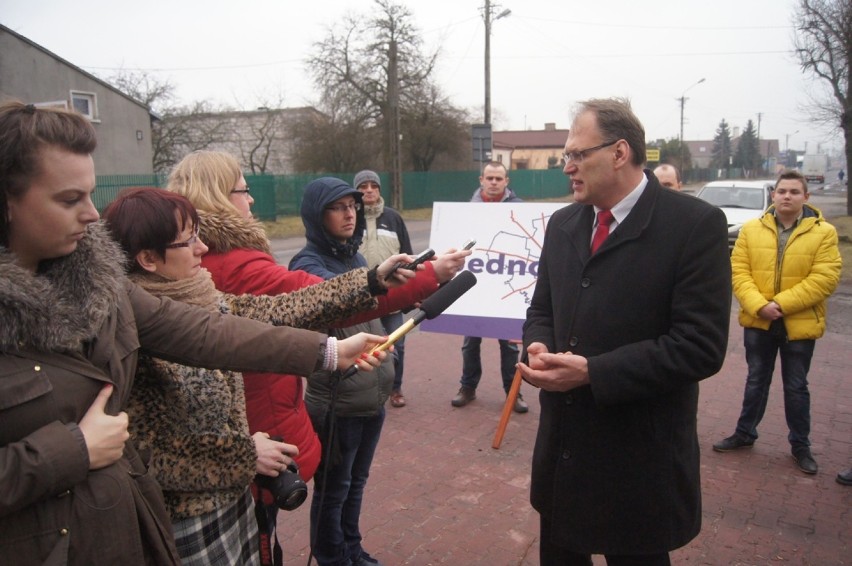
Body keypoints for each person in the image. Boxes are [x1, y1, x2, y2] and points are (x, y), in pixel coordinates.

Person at [0, 101, 387, 566]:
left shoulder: (106, 287)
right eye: (69, 199)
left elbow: (216, 332)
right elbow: (150, 447)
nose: (89, 214)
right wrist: (71, 451)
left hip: (141, 524)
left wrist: (332, 346)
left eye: (89, 194)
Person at [167, 150, 466, 561]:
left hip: (322, 405)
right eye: (245, 189)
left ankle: (347, 549)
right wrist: (419, 279)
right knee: (277, 525)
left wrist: (375, 283)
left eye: (352, 207)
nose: (251, 200)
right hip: (267, 425)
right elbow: (309, 301)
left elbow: (273, 319)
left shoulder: (220, 265)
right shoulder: (236, 264)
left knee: (337, 492)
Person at [103, 187, 415, 564]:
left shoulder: (204, 298)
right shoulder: (130, 335)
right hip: (185, 523)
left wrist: (369, 282)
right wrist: (245, 455)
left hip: (234, 504)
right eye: (189, 241)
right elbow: (145, 455)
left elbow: (281, 309)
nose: (203, 248)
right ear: (148, 258)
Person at [517, 98, 731, 565]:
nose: (567, 167)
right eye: (564, 157)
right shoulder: (564, 223)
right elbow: (541, 310)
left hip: (638, 459)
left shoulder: (694, 226)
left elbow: (701, 346)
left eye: (577, 155)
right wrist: (537, 344)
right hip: (565, 451)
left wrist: (594, 372)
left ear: (618, 153)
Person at [290, 177, 468, 566]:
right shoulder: (307, 264)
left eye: (353, 205)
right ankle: (331, 556)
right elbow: (338, 307)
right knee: (334, 489)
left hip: (372, 395)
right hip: (338, 399)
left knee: (355, 485)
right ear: (317, 215)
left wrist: (399, 326)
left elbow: (382, 313)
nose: (350, 213)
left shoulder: (356, 258)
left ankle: (352, 549)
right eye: (338, 207)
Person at [713, 169, 841, 475]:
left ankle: (801, 446)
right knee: (756, 379)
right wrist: (759, 306)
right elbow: (739, 271)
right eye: (782, 191)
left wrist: (781, 304)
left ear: (806, 197)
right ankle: (745, 433)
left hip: (799, 325)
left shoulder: (824, 233)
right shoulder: (751, 230)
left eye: (794, 192)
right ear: (774, 194)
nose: (787, 196)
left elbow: (825, 278)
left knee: (796, 386)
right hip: (760, 322)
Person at [451, 161, 528, 413]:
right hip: (473, 288)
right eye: (489, 178)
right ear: (481, 180)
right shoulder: (467, 211)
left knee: (508, 345)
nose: (494, 182)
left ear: (507, 182)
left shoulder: (520, 210)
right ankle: (468, 387)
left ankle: (513, 392)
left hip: (505, 287)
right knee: (469, 343)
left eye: (499, 178)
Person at [355, 169, 413, 408]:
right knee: (363, 347)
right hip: (360, 297)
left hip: (393, 297)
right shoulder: (351, 218)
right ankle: (368, 390)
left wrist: (411, 294)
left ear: (379, 189)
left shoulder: (393, 218)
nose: (368, 190)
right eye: (363, 186)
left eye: (373, 186)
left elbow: (409, 256)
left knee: (396, 344)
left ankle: (395, 388)